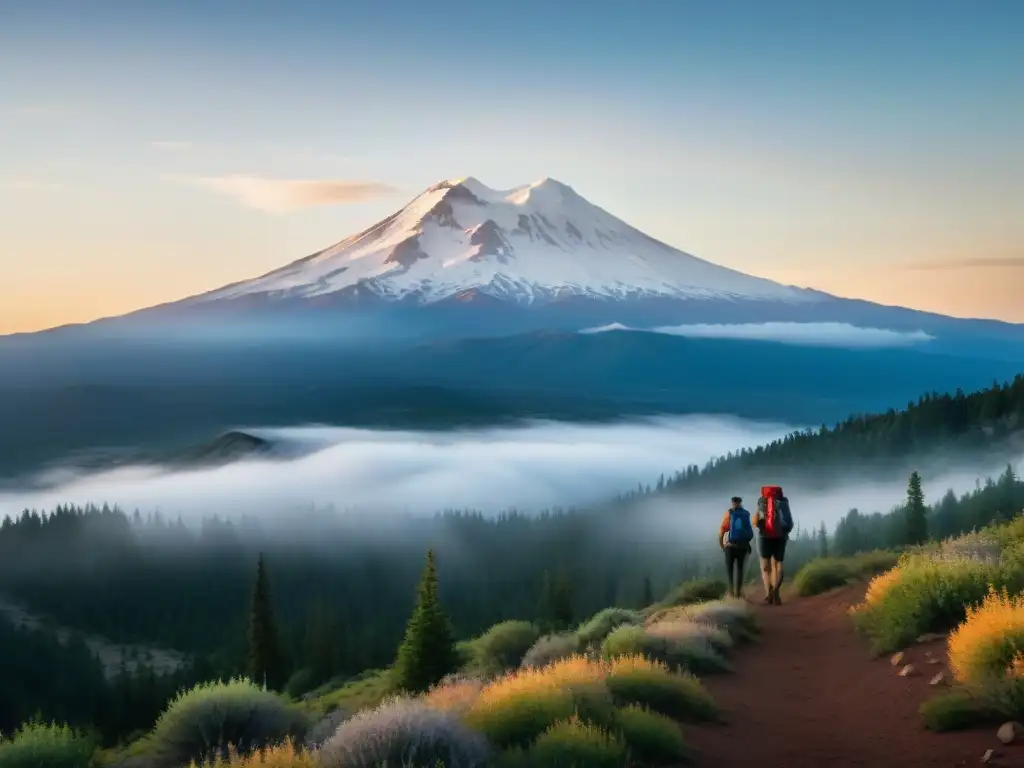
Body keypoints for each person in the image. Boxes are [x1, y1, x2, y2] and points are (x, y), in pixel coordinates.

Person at [753, 488, 792, 605]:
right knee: (778, 565)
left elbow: (756, 522)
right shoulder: (783, 503)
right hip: (780, 536)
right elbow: (789, 524)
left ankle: (768, 593)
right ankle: (776, 592)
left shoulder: (762, 502)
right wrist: (784, 532)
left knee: (765, 567)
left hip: (764, 536)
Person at [718, 496, 753, 598]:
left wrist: (722, 546)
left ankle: (731, 592)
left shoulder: (729, 514)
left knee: (730, 570)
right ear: (740, 503)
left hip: (730, 546)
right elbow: (748, 532)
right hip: (743, 546)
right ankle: (738, 592)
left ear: (732, 503)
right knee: (740, 569)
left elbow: (721, 532)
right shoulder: (745, 514)